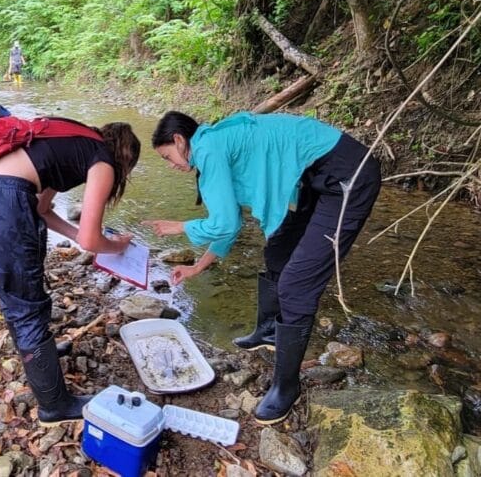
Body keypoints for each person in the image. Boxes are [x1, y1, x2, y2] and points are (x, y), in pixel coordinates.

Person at [143, 110, 381, 425]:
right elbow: (231, 224)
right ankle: (269, 331)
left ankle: (287, 386)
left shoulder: (208, 148)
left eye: (167, 157)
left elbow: (223, 222)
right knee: (279, 251)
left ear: (179, 140)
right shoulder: (211, 143)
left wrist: (180, 227)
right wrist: (197, 267)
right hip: (314, 176)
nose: (171, 165)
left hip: (349, 175)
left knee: (296, 286)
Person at [0, 119, 141, 426]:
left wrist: (78, 234)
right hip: (1, 206)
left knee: (16, 295)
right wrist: (116, 247)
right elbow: (93, 241)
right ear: (125, 158)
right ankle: (55, 405)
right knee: (27, 307)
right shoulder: (103, 160)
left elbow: (42, 210)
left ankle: (42, 359)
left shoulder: (68, 141)